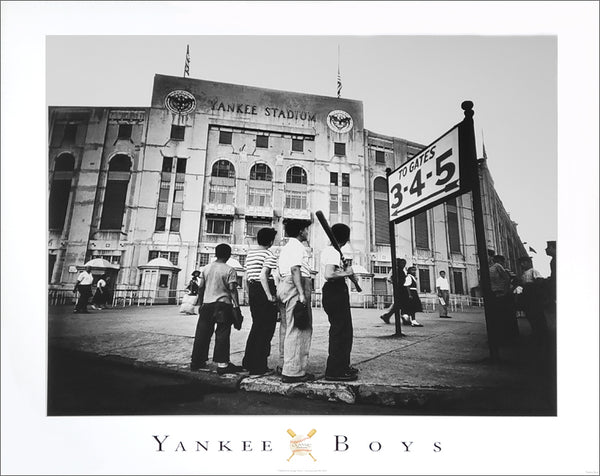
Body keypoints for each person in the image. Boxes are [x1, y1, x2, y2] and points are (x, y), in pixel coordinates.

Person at [190, 244, 244, 375]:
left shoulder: (206, 268)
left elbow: (201, 287)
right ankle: (222, 364)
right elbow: (232, 289)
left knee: (202, 334)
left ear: (216, 253)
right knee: (222, 334)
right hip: (223, 306)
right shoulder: (230, 270)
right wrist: (236, 306)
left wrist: (199, 303)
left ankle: (197, 361)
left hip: (207, 305)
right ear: (228, 255)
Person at [277, 219, 314, 383]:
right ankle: (293, 372)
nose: (307, 232)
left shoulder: (287, 247)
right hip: (295, 285)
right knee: (299, 328)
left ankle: (285, 365)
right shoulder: (297, 247)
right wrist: (301, 294)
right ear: (300, 231)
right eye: (306, 230)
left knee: (287, 327)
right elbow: (295, 269)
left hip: (285, 284)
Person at [320, 223, 359, 382]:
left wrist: (345, 272)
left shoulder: (331, 251)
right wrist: (346, 272)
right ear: (346, 238)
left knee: (344, 331)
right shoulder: (333, 251)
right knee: (340, 332)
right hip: (334, 291)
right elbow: (329, 274)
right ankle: (335, 370)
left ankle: (342, 366)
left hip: (334, 292)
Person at [242, 227, 279, 376]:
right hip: (264, 289)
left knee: (256, 326)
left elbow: (246, 277)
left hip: (253, 290)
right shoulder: (269, 254)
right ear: (270, 241)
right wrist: (269, 295)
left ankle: (249, 362)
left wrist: (249, 293)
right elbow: (264, 276)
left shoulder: (250, 254)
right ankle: (259, 366)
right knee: (266, 329)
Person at [515, 256, 547, 347]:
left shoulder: (533, 271)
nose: (522, 264)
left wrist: (531, 287)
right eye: (520, 263)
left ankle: (542, 335)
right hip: (527, 298)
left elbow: (540, 281)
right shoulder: (523, 274)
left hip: (534, 298)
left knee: (537, 316)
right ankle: (535, 332)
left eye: (524, 262)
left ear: (529, 263)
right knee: (530, 316)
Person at [489, 255, 519, 344]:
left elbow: (507, 278)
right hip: (498, 293)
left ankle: (508, 337)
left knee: (504, 315)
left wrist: (505, 292)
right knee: (503, 316)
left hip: (501, 293)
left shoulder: (497, 266)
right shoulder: (495, 267)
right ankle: (507, 336)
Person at [379, 258, 409, 324]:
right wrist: (395, 283)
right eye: (402, 263)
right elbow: (389, 278)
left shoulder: (402, 270)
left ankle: (387, 316)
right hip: (398, 288)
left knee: (400, 304)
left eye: (404, 263)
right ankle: (388, 316)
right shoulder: (395, 270)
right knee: (399, 304)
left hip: (401, 288)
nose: (403, 265)